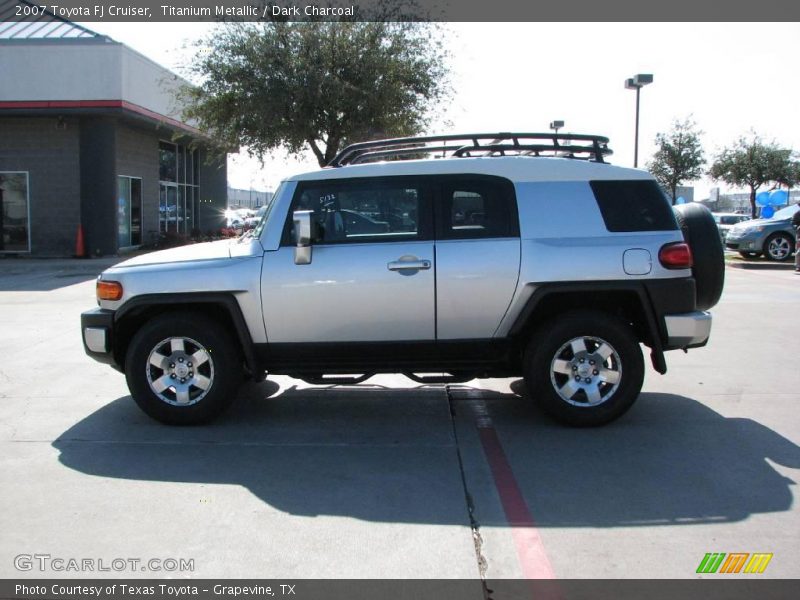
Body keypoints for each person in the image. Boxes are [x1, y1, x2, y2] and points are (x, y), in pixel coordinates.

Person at [794, 201, 800, 273]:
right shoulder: (797, 214)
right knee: (799, 251)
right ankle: (798, 266)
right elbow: (793, 223)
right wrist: (798, 227)